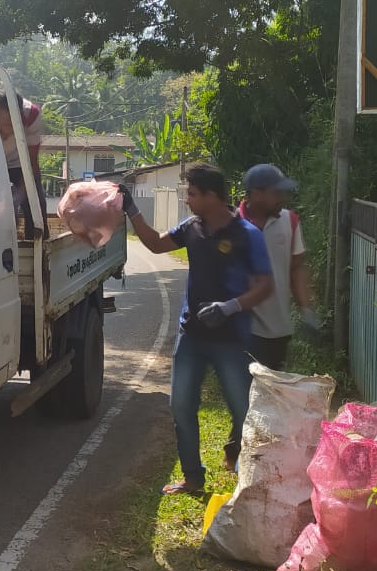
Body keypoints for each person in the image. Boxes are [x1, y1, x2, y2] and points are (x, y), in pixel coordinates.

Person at [120, 165, 272, 496]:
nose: (186, 199)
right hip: (192, 335)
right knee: (181, 406)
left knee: (243, 411)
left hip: (231, 340)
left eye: (191, 193)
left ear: (211, 196)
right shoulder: (192, 228)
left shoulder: (247, 234)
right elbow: (158, 245)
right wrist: (131, 210)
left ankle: (250, 480)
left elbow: (264, 286)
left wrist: (230, 307)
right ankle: (193, 478)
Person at [237, 164, 320, 371]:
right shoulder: (233, 225)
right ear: (256, 194)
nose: (282, 198)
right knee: (247, 392)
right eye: (276, 192)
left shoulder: (289, 221)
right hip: (243, 327)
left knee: (273, 390)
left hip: (278, 328)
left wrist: (306, 308)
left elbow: (297, 268)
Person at [0, 91, 47, 234]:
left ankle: (38, 246)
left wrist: (20, 195)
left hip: (21, 163)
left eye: (8, 126)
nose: (2, 132)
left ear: (19, 120)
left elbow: (32, 163)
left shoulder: (32, 116)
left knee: (35, 208)